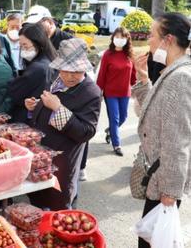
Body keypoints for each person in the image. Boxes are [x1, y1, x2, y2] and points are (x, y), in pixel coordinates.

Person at [132, 13, 191, 248]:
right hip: (159, 177)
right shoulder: (173, 71)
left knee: (151, 243)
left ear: (167, 40)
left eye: (152, 35)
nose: (149, 41)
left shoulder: (181, 78)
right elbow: (158, 112)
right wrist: (143, 78)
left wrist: (170, 191)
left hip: (163, 182)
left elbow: (178, 141)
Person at [26, 38, 101, 210]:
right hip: (42, 154)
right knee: (38, 197)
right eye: (65, 70)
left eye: (76, 71)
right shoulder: (55, 78)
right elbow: (47, 103)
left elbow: (86, 132)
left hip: (64, 158)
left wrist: (58, 109)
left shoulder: (91, 92)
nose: (69, 76)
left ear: (84, 68)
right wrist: (35, 105)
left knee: (59, 202)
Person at [97, 27, 136, 156]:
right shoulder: (108, 54)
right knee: (114, 118)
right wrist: (99, 92)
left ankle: (111, 131)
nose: (119, 40)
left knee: (123, 117)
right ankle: (117, 144)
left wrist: (135, 87)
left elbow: (133, 73)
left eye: (122, 37)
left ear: (127, 39)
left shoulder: (129, 54)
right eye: (117, 37)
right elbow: (102, 74)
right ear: (113, 38)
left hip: (125, 92)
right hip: (110, 93)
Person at [8, 23, 57, 123]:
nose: (23, 49)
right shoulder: (50, 59)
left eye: (25, 45)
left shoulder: (38, 67)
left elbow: (15, 92)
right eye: (21, 46)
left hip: (27, 118)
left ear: (38, 43)